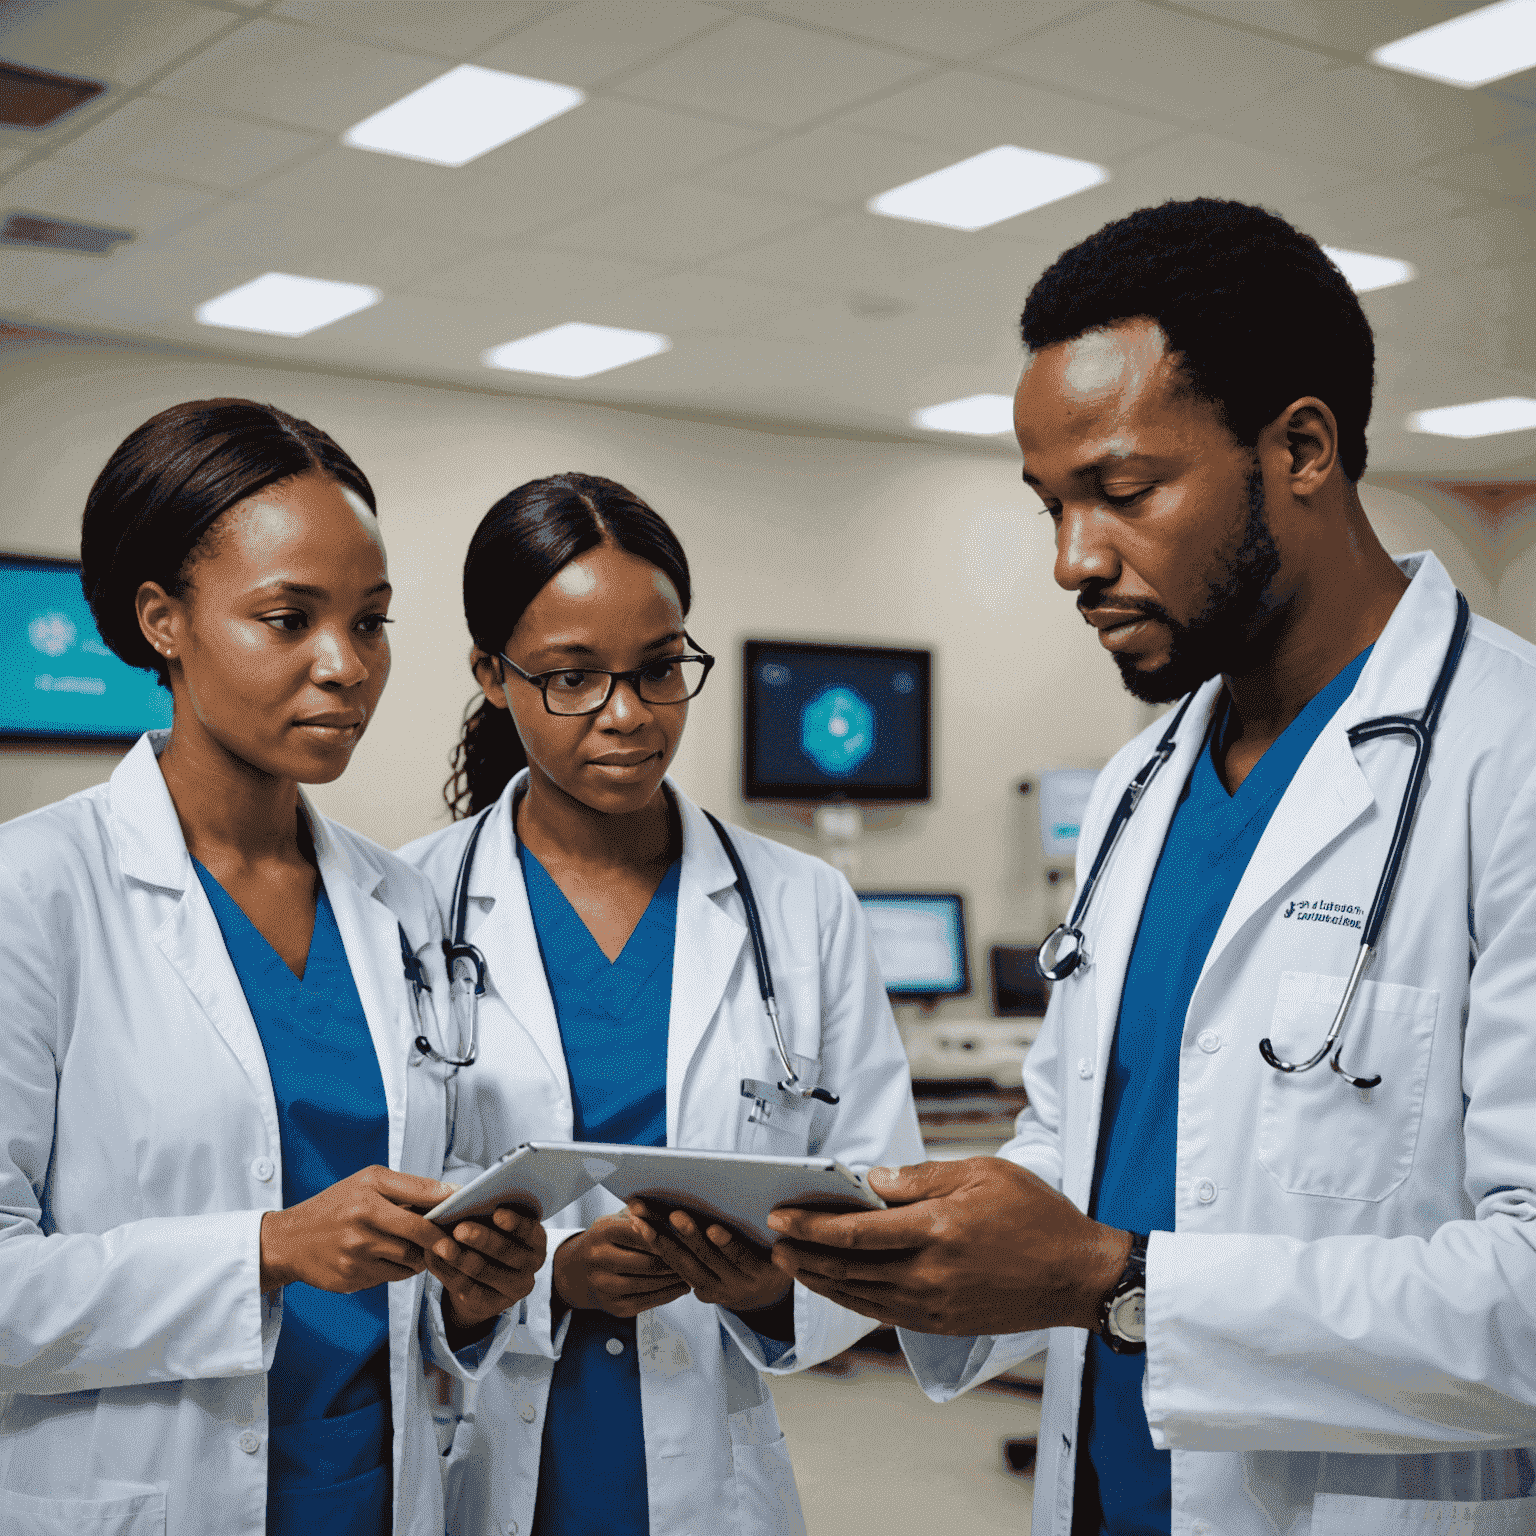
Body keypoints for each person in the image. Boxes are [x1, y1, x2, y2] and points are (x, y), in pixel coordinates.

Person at [767, 199, 1536, 1534]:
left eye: (1122, 492)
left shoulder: (1507, 764)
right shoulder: (1138, 787)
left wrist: (1115, 1281)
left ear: (1300, 448)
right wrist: (892, 1251)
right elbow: (1083, 1148)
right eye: (1051, 505)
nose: (1073, 558)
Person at [0, 399, 545, 1536]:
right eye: (288, 618)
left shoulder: (395, 902)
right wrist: (266, 1249)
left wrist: (473, 1293)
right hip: (147, 1494)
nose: (344, 667)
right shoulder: (36, 893)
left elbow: (407, 1282)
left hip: (377, 1491)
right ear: (163, 621)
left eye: (373, 622)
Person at [399, 472, 923, 1536]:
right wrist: (548, 1282)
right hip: (483, 1464)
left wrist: (761, 1289)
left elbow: (882, 1201)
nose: (629, 716)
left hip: (715, 1472)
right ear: (492, 676)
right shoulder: (402, 907)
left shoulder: (800, 905)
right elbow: (367, 1236)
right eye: (573, 679)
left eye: (658, 670)